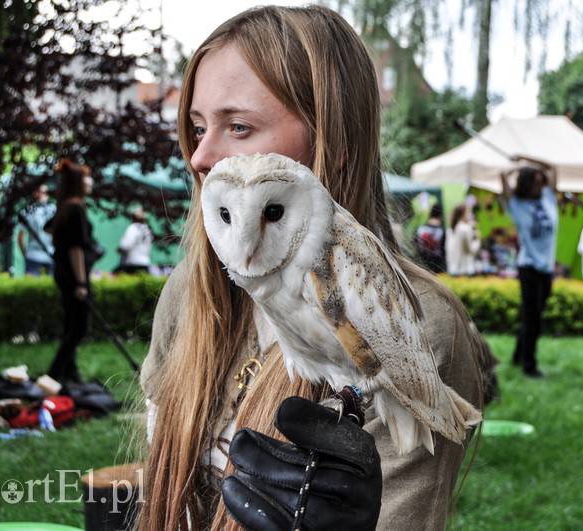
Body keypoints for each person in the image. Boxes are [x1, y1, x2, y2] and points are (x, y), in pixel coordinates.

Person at [137, 6, 496, 531]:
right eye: (197, 127)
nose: (200, 155)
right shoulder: (194, 292)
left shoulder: (423, 323)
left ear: (337, 142)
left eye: (238, 126)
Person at [499, 159, 559, 378]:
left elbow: (552, 167)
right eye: (535, 182)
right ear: (525, 184)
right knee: (533, 318)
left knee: (532, 314)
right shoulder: (516, 204)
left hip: (546, 269)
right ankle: (529, 365)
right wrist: (519, 166)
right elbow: (503, 175)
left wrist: (528, 158)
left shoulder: (548, 197)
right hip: (529, 267)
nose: (540, 186)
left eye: (541, 182)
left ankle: (518, 355)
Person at [44, 159, 99, 384]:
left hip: (63, 273)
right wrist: (81, 283)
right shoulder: (75, 208)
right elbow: (76, 248)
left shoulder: (65, 207)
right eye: (86, 176)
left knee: (70, 324)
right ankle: (55, 372)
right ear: (78, 182)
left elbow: (48, 227)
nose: (90, 181)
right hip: (73, 276)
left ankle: (70, 373)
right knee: (79, 327)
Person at [17, 184, 56, 276]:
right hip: (50, 254)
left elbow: (20, 237)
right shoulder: (54, 210)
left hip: (33, 255)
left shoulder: (27, 211)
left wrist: (25, 254)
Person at [114, 206, 153, 274]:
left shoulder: (133, 228)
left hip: (132, 264)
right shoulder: (146, 229)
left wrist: (119, 250)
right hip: (145, 263)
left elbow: (125, 246)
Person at [445, 203, 481, 276]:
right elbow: (471, 249)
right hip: (465, 269)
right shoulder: (465, 229)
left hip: (453, 268)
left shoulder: (450, 230)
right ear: (464, 213)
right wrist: (478, 239)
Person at [414, 203, 446, 273]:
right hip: (438, 268)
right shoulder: (442, 231)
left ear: (430, 215)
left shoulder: (419, 229)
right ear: (440, 217)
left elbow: (416, 247)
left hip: (421, 266)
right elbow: (444, 251)